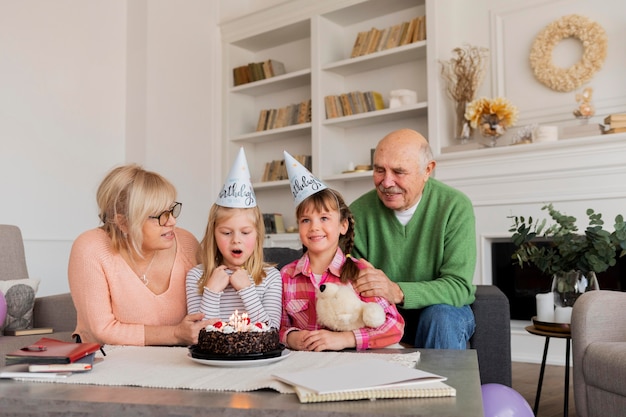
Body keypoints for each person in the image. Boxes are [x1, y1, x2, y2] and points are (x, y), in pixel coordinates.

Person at [350, 128, 477, 349]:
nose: (387, 182)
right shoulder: (357, 213)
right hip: (380, 313)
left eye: (399, 172)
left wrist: (397, 291)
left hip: (444, 312)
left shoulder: (455, 206)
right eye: (379, 170)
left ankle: (439, 385)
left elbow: (458, 286)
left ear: (427, 170)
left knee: (440, 317)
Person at [68, 164, 210, 346]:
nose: (172, 221)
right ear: (124, 223)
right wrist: (174, 334)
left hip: (180, 358)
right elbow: (102, 330)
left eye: (172, 210)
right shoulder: (90, 248)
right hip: (109, 361)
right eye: (160, 215)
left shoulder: (186, 242)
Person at [280, 151, 404, 351]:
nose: (314, 227)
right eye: (305, 220)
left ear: (343, 226)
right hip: (305, 365)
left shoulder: (360, 272)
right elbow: (279, 326)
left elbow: (394, 326)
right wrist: (292, 337)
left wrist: (346, 339)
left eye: (324, 218)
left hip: (352, 366)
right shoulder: (287, 276)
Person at [186, 148, 282, 329]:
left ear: (258, 235)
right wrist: (212, 291)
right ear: (213, 234)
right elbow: (198, 334)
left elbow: (272, 331)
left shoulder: (270, 278)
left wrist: (247, 290)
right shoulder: (197, 277)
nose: (236, 240)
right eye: (226, 232)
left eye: (245, 233)